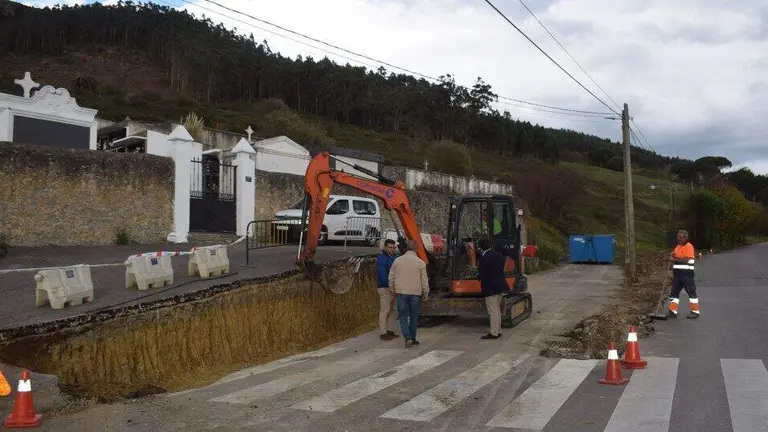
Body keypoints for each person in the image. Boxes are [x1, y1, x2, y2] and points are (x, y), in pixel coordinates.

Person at [389, 239, 430, 348]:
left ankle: (407, 337)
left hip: (401, 292)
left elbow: (391, 277)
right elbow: (424, 280)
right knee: (414, 316)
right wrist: (426, 294)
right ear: (416, 249)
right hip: (415, 293)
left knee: (402, 315)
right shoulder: (420, 262)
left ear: (407, 247)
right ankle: (413, 337)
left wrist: (392, 289)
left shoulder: (397, 261)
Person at [476, 237, 510, 339]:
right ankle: (498, 330)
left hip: (490, 287)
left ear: (480, 247)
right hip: (500, 285)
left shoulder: (484, 258)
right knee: (497, 310)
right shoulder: (498, 255)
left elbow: (482, 273)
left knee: (492, 311)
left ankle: (493, 333)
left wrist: (477, 276)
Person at [668, 230, 700, 319]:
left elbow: (685, 260)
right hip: (677, 275)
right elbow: (675, 255)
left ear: (686, 238)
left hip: (687, 275)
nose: (679, 238)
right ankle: (672, 311)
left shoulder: (689, 247)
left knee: (691, 292)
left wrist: (673, 259)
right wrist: (672, 254)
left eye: (681, 237)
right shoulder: (678, 247)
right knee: (674, 293)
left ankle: (695, 312)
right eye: (678, 236)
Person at [376, 239, 399, 341]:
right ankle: (383, 332)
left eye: (393, 247)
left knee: (393, 310)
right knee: (384, 310)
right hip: (384, 287)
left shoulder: (394, 257)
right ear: (385, 247)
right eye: (390, 247)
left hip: (393, 287)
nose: (392, 249)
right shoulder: (382, 259)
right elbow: (382, 275)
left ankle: (389, 330)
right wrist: (390, 286)